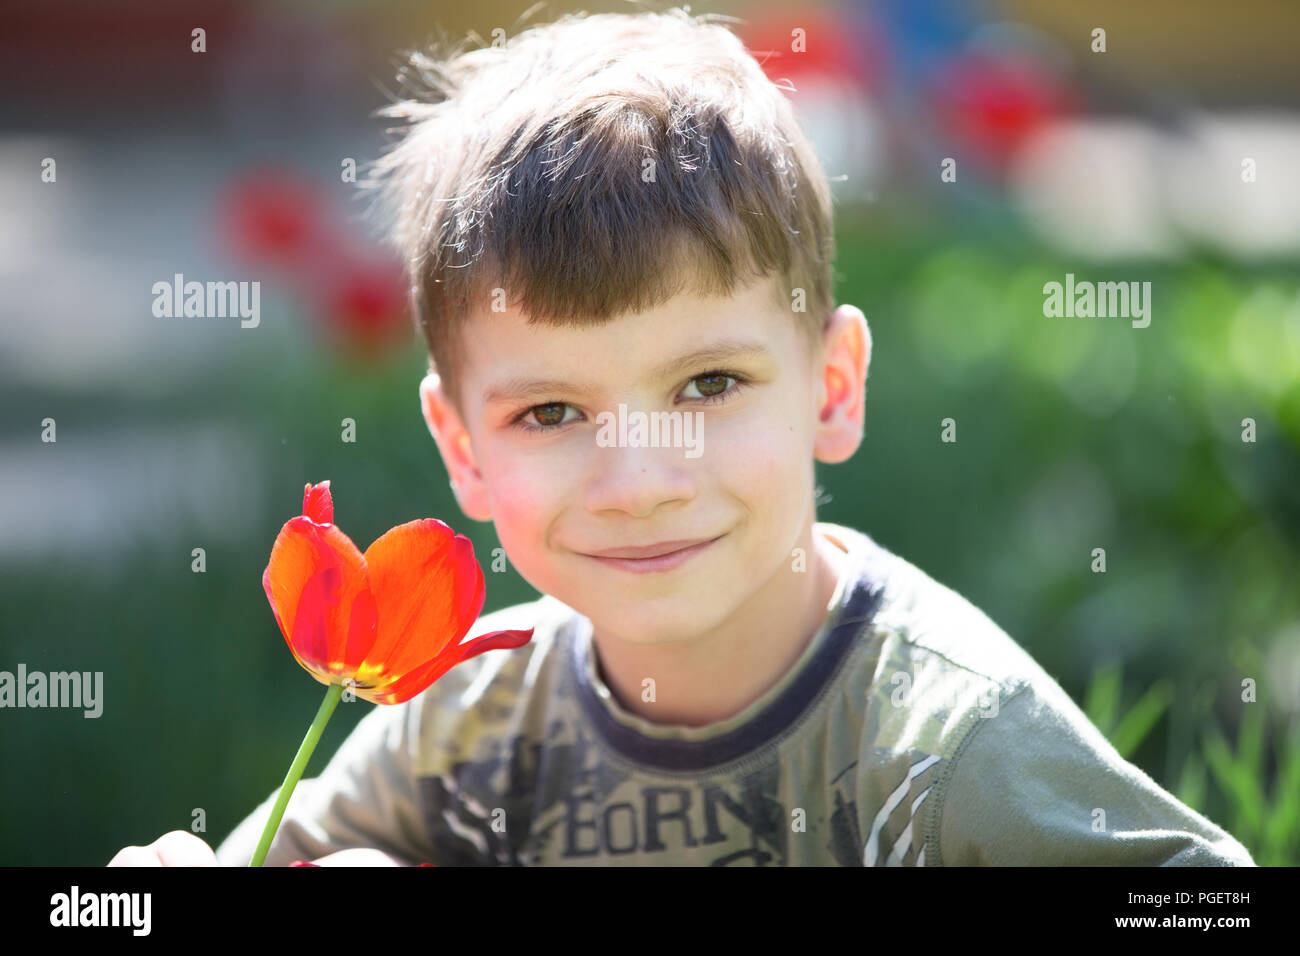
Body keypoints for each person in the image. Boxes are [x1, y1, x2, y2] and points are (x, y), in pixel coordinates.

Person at [110, 8, 1254, 867]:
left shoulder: (941, 735)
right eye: (550, 412)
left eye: (708, 382)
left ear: (832, 387)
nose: (639, 479)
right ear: (460, 447)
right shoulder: (469, 724)